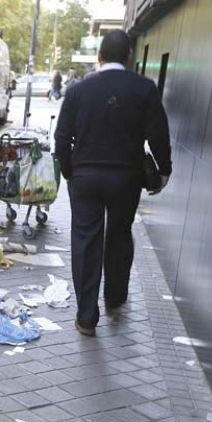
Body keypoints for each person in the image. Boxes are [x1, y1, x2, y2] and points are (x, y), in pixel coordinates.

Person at [54, 30, 172, 337]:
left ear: (99, 57)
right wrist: (164, 169)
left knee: (85, 240)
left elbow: (61, 137)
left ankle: (86, 317)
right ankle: (115, 297)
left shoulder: (79, 90)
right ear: (130, 57)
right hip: (125, 178)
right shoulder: (144, 89)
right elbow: (159, 134)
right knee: (119, 235)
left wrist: (70, 172)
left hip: (86, 177)